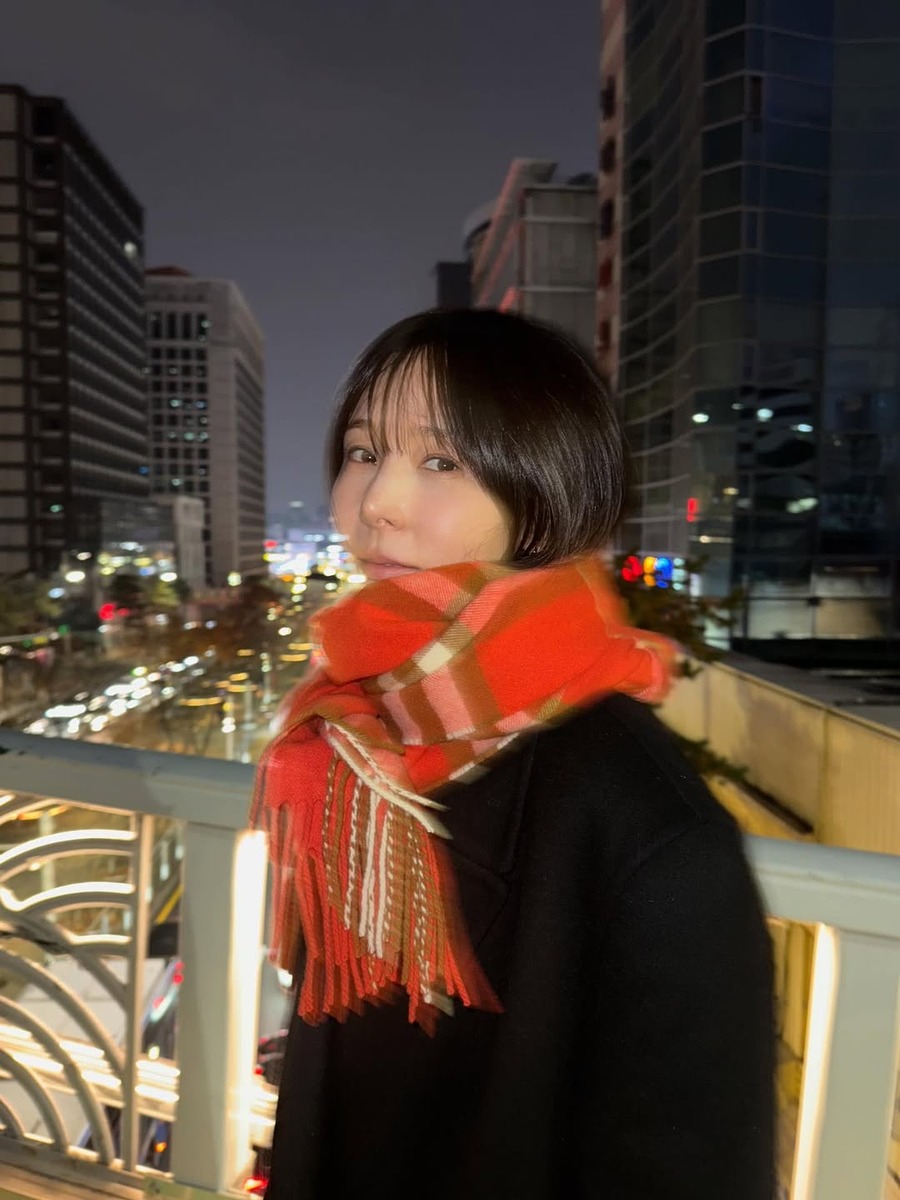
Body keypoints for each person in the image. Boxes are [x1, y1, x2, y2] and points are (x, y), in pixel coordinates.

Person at [252, 309, 775, 1200]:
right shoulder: (356, 733)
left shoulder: (654, 836)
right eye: (364, 451)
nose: (376, 503)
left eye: (441, 462)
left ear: (544, 489)